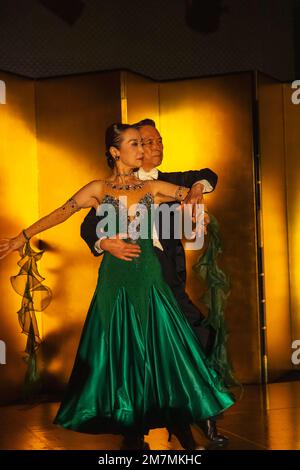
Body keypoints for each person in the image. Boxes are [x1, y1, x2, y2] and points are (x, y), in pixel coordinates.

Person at [0, 123, 234, 451]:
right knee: (119, 352)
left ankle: (185, 425)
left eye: (144, 143)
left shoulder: (153, 188)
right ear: (115, 152)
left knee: (164, 349)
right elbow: (61, 214)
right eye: (135, 144)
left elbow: (192, 196)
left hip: (150, 277)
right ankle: (131, 428)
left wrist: (195, 202)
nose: (143, 150)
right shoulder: (97, 189)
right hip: (114, 279)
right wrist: (20, 238)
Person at [80, 119, 227, 445]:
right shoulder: (112, 189)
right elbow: (88, 227)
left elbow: (208, 175)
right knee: (133, 356)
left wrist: (197, 190)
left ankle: (198, 414)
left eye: (159, 140)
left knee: (199, 337)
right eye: (147, 141)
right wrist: (104, 242)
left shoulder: (173, 182)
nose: (156, 146)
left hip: (168, 285)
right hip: (132, 286)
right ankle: (135, 431)